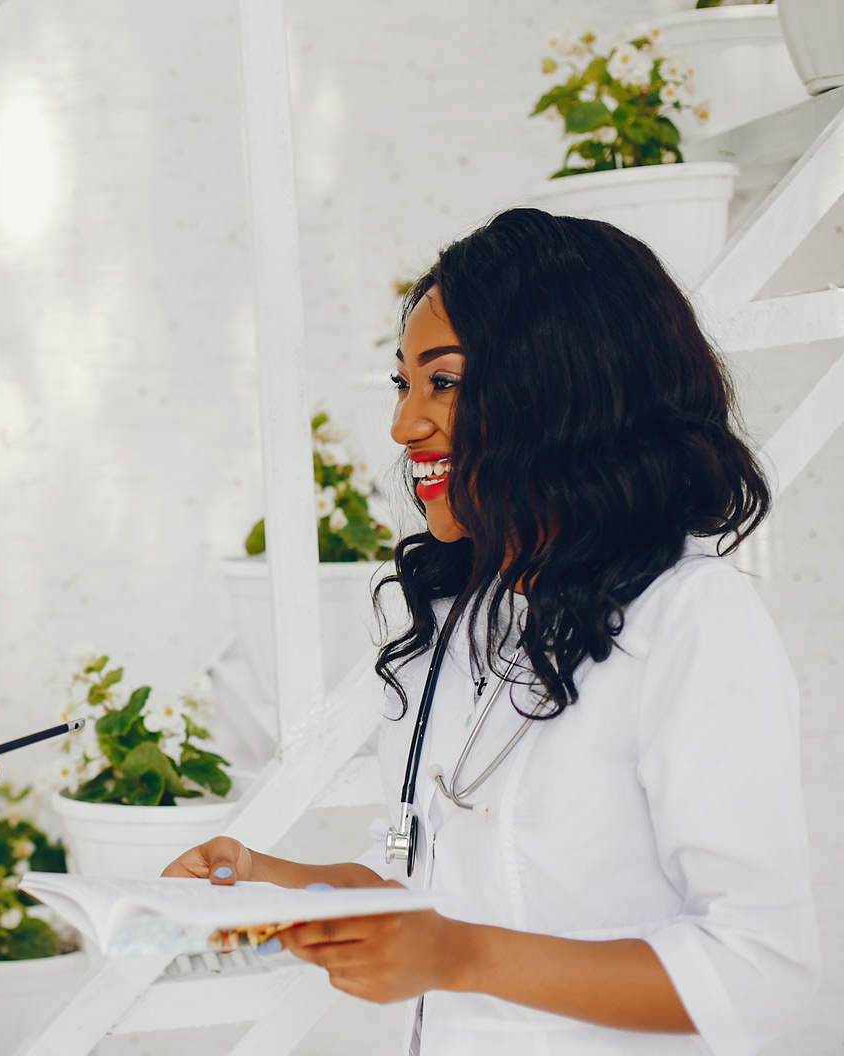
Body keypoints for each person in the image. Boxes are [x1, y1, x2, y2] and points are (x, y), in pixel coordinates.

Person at [166, 208, 819, 1053]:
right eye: (403, 385)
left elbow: (760, 970)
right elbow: (426, 883)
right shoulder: (466, 618)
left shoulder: (692, 618)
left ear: (561, 390)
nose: (405, 427)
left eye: (445, 382)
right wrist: (269, 885)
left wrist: (460, 955)